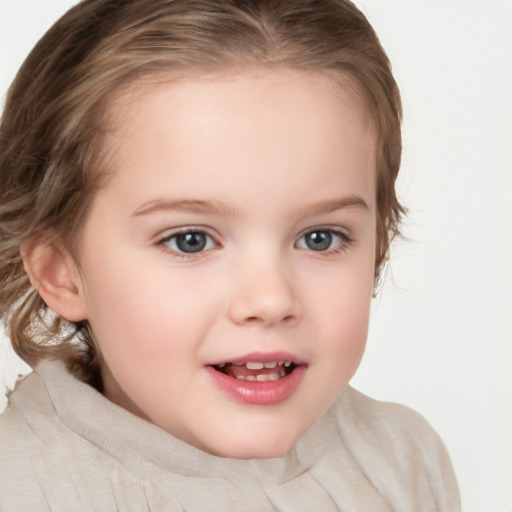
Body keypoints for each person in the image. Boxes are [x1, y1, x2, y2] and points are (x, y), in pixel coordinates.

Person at [0, 0, 461, 510]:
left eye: (320, 237)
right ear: (60, 272)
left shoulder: (401, 461)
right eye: (190, 240)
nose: (269, 299)